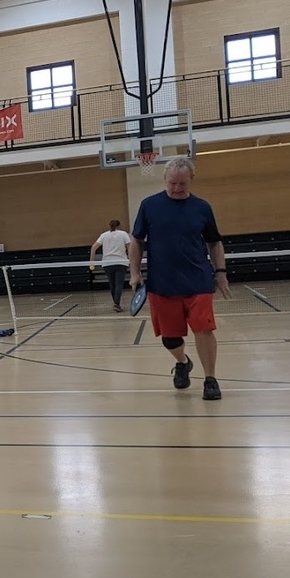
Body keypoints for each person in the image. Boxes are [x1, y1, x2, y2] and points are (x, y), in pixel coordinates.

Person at [129, 157, 231, 401]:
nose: (176, 188)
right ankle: (183, 362)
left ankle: (210, 380)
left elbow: (214, 242)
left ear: (191, 180)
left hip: (198, 281)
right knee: (171, 339)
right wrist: (134, 272)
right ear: (165, 179)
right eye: (172, 183)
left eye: (182, 184)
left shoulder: (202, 208)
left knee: (204, 329)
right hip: (162, 284)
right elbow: (136, 241)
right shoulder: (149, 206)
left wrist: (221, 273)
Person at [89, 218, 132, 312]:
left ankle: (116, 304)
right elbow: (130, 248)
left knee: (112, 284)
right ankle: (116, 304)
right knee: (119, 284)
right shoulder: (124, 234)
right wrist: (132, 260)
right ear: (119, 225)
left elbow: (93, 248)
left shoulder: (104, 235)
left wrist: (91, 262)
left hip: (107, 263)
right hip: (121, 262)